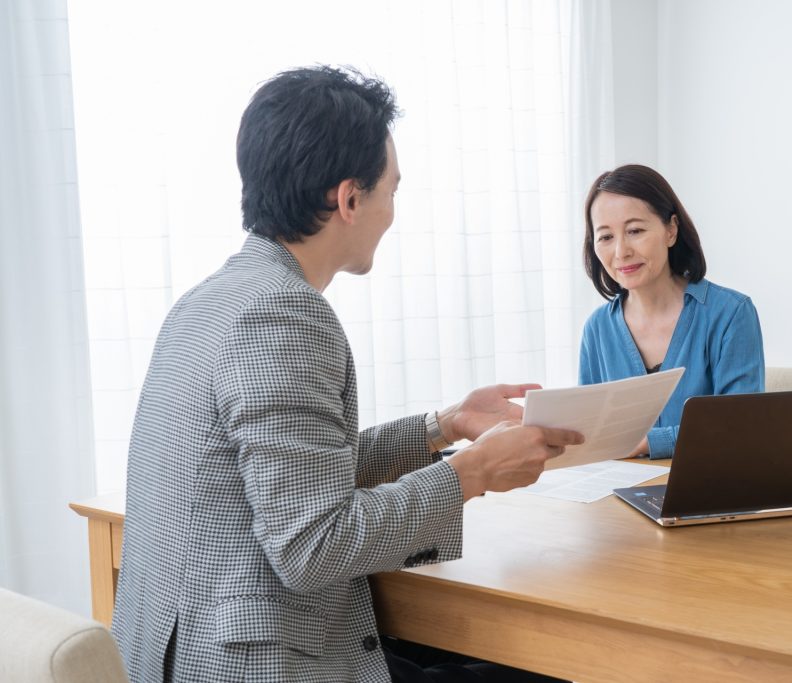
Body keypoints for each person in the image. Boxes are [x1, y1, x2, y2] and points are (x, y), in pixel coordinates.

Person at [110, 65, 582, 683]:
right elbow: (312, 547)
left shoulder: (212, 299)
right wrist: (474, 472)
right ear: (349, 198)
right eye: (392, 189)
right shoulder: (285, 317)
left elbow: (293, 472)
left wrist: (443, 426)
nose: (393, 210)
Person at [578, 164, 764, 459]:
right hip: (616, 495)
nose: (620, 252)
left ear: (671, 230)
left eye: (635, 231)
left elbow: (739, 425)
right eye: (605, 237)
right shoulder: (597, 328)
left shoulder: (730, 314)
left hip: (709, 494)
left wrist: (648, 442)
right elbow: (591, 432)